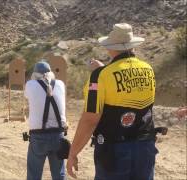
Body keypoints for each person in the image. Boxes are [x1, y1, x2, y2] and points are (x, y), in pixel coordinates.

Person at [67, 23, 162, 180]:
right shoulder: (148, 68)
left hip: (113, 151)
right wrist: (104, 69)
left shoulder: (100, 76)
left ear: (111, 47)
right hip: (145, 146)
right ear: (132, 46)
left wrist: (73, 152)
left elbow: (90, 119)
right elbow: (128, 88)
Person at [25, 61, 68, 180]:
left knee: (34, 174)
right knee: (59, 175)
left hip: (38, 136)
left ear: (35, 73)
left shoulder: (30, 84)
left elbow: (28, 96)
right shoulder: (60, 84)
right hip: (58, 135)